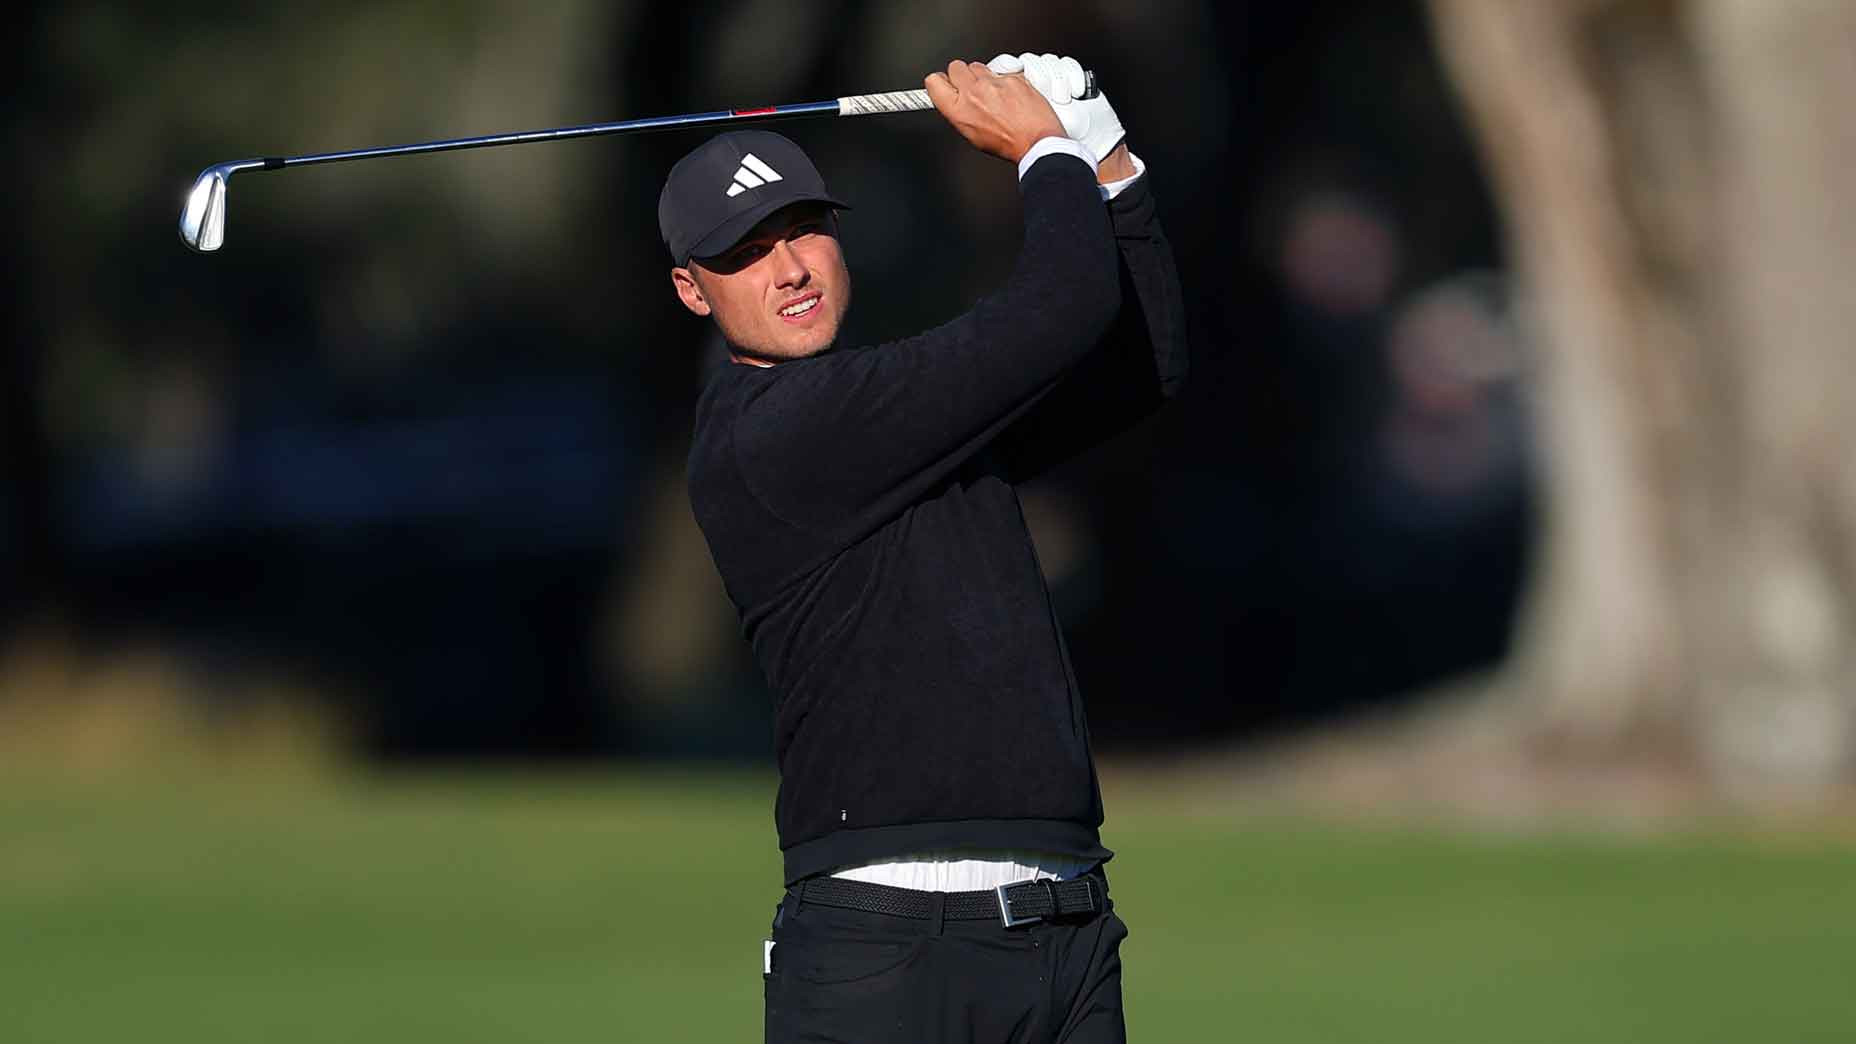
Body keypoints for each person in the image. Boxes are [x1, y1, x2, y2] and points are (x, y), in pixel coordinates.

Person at [659, 52, 1185, 1043]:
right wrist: (1040, 149)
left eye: (803, 230)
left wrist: (1107, 162)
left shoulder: (895, 415)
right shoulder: (772, 433)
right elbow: (1056, 309)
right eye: (744, 251)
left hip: (1064, 928)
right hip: (888, 952)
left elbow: (1138, 369)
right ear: (692, 292)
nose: (790, 269)